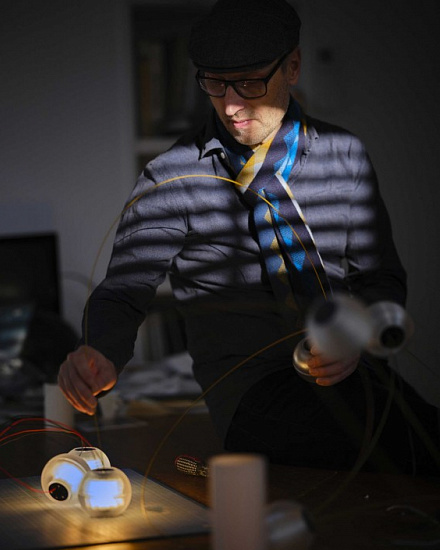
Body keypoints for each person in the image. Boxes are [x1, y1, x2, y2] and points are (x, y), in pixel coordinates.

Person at [58, 0, 439, 475]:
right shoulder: (171, 176)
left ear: (293, 66)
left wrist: (356, 336)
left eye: (250, 83)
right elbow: (124, 290)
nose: (231, 106)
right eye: (215, 84)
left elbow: (379, 277)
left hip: (357, 376)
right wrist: (99, 349)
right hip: (253, 396)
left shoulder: (345, 156)